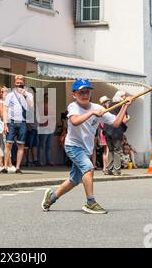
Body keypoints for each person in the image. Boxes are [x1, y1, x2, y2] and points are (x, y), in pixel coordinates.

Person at [41, 79, 134, 214]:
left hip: (86, 149)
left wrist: (125, 106)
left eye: (87, 92)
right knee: (88, 168)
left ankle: (51, 198)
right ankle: (90, 202)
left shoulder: (98, 108)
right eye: (81, 92)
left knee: (74, 180)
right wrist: (91, 113)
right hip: (73, 146)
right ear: (74, 94)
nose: (85, 95)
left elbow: (116, 123)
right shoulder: (73, 107)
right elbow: (74, 121)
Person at [3, 75, 34, 174]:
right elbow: (5, 109)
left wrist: (25, 94)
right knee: (8, 144)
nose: (19, 84)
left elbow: (31, 106)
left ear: (24, 83)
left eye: (21, 83)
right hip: (11, 122)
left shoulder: (29, 94)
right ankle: (5, 167)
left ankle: (17, 167)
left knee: (21, 145)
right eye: (17, 83)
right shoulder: (10, 95)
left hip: (22, 122)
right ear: (14, 83)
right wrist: (5, 124)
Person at [103, 90, 131, 176]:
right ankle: (117, 171)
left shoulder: (110, 104)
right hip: (116, 131)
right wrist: (129, 118)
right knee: (117, 151)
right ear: (120, 97)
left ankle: (108, 169)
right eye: (123, 96)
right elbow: (124, 120)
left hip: (107, 130)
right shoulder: (122, 106)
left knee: (111, 150)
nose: (124, 98)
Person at [0, 86, 13, 173]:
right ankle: (9, 165)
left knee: (3, 145)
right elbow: (3, 116)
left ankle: (0, 165)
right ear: (0, 93)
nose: (4, 93)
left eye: (6, 91)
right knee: (7, 145)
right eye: (2, 92)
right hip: (4, 125)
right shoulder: (2, 102)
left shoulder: (4, 102)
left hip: (3, 125)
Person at [37, 92, 56, 167]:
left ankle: (49, 161)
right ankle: (39, 160)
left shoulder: (52, 106)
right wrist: (48, 117)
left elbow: (54, 116)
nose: (47, 99)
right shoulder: (40, 106)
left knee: (49, 145)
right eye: (46, 97)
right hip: (43, 127)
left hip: (51, 127)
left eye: (48, 98)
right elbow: (39, 117)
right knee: (42, 144)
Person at [25, 87, 41, 167]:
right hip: (29, 127)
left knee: (35, 144)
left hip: (35, 127)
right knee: (28, 145)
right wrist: (28, 125)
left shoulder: (34, 103)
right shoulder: (26, 103)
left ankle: (35, 160)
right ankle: (28, 161)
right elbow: (25, 115)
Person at [97, 96, 111, 170]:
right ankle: (107, 167)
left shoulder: (100, 111)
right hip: (105, 131)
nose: (109, 103)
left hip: (101, 131)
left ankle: (105, 167)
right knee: (107, 150)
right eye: (107, 102)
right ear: (104, 103)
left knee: (105, 150)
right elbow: (104, 123)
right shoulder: (105, 111)